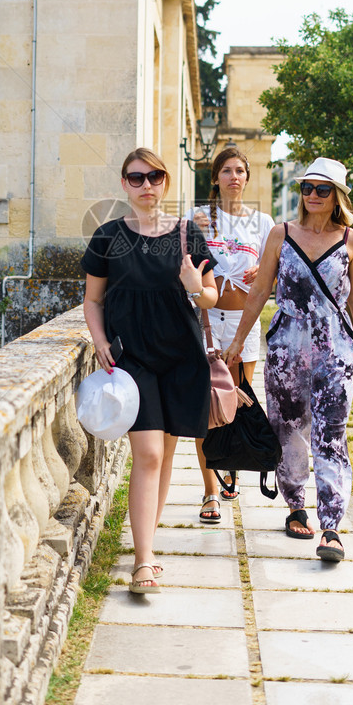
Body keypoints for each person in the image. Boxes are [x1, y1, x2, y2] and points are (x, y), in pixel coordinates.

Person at [224, 157, 353, 563]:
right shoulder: (281, 234)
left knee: (332, 432)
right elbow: (258, 293)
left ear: (337, 196)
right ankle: (295, 505)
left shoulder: (352, 241)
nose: (311, 195)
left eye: (321, 189)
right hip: (286, 348)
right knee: (288, 428)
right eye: (306, 188)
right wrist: (239, 341)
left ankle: (331, 527)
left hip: (336, 350)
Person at [82, 148, 218, 593]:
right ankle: (143, 561)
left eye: (154, 177)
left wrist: (197, 288)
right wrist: (100, 341)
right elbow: (93, 300)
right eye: (136, 178)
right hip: (132, 360)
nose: (146, 186)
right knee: (149, 455)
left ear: (165, 182)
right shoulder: (107, 237)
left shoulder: (186, 234)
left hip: (181, 357)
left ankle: (148, 544)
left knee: (166, 457)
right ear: (124, 184)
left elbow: (211, 297)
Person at [184, 146, 274, 523]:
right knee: (206, 407)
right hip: (206, 321)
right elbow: (184, 267)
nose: (233, 176)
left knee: (238, 404)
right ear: (216, 178)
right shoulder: (197, 217)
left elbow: (276, 273)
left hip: (244, 323)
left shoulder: (264, 223)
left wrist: (262, 273)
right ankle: (209, 492)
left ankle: (230, 468)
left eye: (240, 170)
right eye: (226, 171)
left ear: (248, 178)